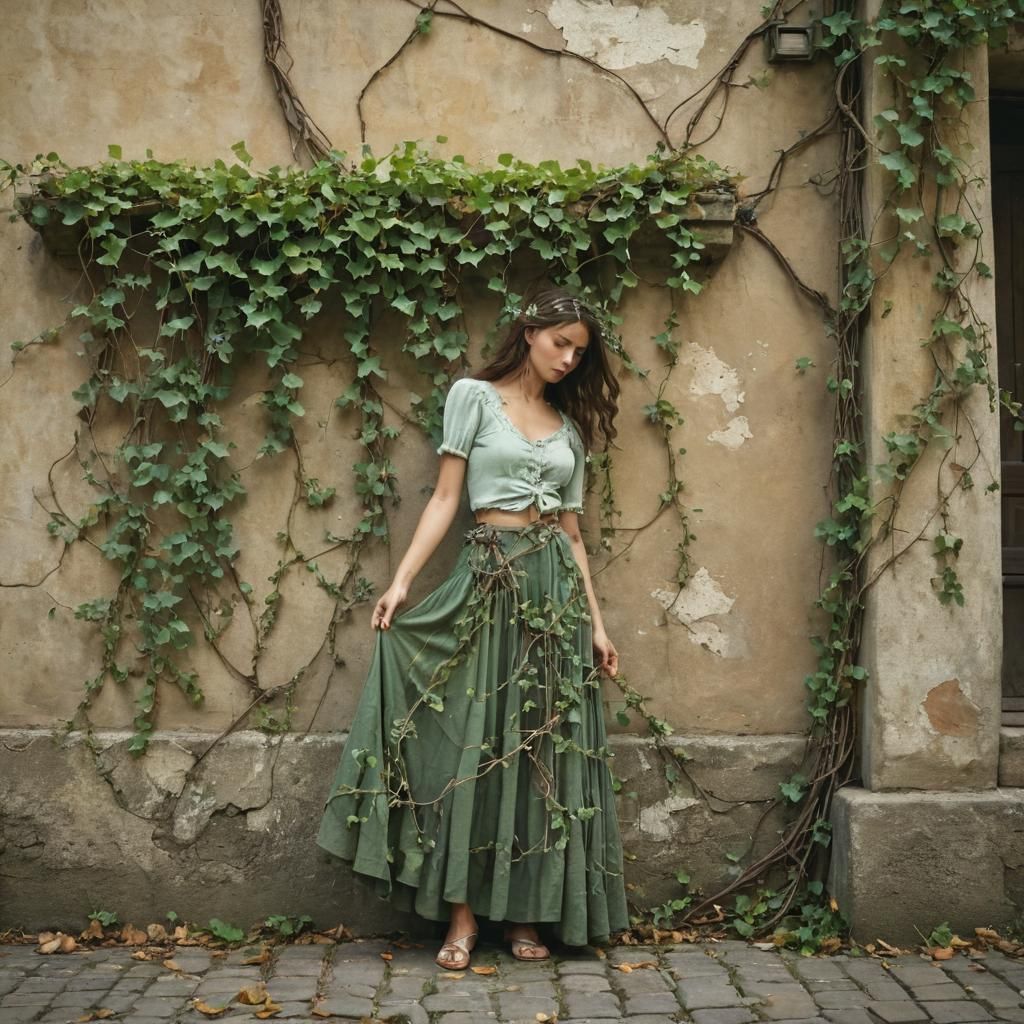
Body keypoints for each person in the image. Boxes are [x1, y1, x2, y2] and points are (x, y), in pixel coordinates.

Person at [316, 287, 628, 970]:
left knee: (539, 751)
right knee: (473, 742)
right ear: (530, 332)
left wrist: (597, 628)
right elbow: (447, 499)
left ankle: (523, 915)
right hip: (489, 582)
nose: (570, 358)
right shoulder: (473, 398)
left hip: (555, 600)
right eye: (560, 343)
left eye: (580, 350)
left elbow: (574, 539)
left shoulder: (567, 429)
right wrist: (401, 581)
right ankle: (460, 916)